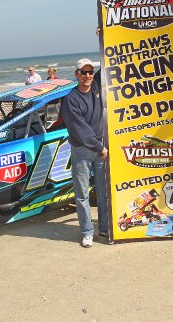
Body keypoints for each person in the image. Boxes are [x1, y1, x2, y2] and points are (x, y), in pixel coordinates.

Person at [61, 58, 108, 247]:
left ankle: (104, 227)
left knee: (104, 191)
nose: (87, 75)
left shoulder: (96, 87)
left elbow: (107, 58)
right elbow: (81, 130)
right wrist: (100, 147)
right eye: (83, 72)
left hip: (100, 149)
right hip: (83, 150)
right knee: (82, 195)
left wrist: (103, 34)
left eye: (90, 72)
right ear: (76, 75)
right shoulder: (70, 99)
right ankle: (87, 232)